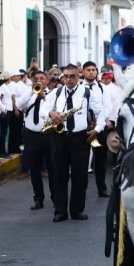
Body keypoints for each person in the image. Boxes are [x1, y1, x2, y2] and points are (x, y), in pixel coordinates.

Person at [42, 64, 106, 222]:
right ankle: (60, 211)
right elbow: (43, 110)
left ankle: (77, 210)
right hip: (59, 137)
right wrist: (51, 113)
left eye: (72, 76)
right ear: (63, 77)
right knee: (58, 175)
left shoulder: (86, 92)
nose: (68, 79)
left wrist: (97, 130)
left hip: (80, 138)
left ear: (79, 77)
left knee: (80, 176)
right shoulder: (56, 92)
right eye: (66, 76)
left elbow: (101, 112)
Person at [16, 71, 54, 211]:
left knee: (52, 169)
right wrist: (31, 92)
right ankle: (38, 199)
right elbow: (19, 105)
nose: (39, 81)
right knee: (35, 170)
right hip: (31, 135)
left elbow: (55, 111)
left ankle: (55, 198)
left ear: (47, 81)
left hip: (48, 135)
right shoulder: (29, 94)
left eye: (42, 79)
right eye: (36, 79)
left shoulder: (53, 95)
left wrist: (43, 97)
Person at [82, 61, 111, 196]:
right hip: (83, 127)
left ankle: (102, 188)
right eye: (88, 70)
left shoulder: (102, 88)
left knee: (100, 160)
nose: (91, 72)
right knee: (82, 159)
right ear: (83, 72)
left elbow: (107, 106)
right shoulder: (79, 87)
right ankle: (82, 189)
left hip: (99, 128)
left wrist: (101, 122)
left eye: (94, 70)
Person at [7, 71, 26, 155]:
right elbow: (13, 98)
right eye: (17, 76)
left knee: (18, 130)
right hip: (16, 110)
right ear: (13, 77)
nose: (19, 77)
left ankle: (17, 147)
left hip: (20, 109)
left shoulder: (18, 84)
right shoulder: (12, 85)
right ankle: (13, 148)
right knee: (14, 130)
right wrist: (16, 109)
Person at [0, 71, 13, 158]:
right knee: (3, 132)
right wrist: (2, 109)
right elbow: (0, 99)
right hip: (5, 111)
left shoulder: (5, 87)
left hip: (8, 110)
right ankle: (2, 151)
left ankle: (3, 151)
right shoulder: (3, 87)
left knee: (5, 132)